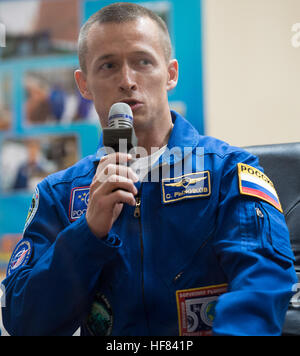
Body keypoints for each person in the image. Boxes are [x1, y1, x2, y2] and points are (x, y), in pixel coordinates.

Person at [1, 2, 297, 336]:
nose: (127, 81)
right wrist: (87, 233)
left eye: (142, 62)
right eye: (108, 65)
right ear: (84, 85)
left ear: (170, 73)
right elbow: (24, 321)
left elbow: (262, 286)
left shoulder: (229, 171)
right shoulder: (59, 194)